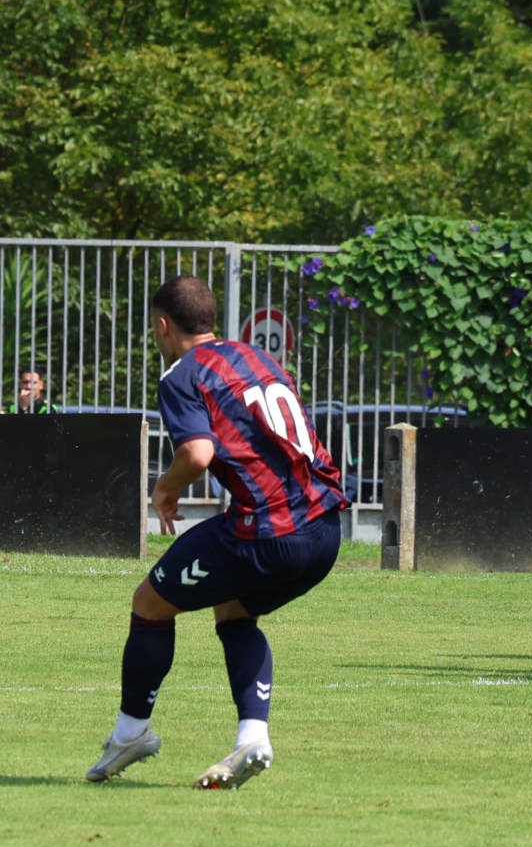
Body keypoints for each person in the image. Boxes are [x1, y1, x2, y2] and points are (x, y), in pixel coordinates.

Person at [85, 275, 348, 789]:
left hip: (270, 534)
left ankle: (130, 733)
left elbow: (198, 454)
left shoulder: (183, 374)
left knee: (150, 604)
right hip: (326, 531)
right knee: (234, 610)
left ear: (163, 326)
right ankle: (253, 737)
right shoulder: (258, 359)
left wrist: (164, 489)